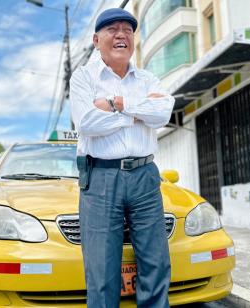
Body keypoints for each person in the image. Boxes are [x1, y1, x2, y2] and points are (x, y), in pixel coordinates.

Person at [70, 7, 175, 308]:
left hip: (145, 176)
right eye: (112, 29)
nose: (121, 35)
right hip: (100, 178)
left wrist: (117, 103)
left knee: (155, 262)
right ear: (96, 39)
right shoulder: (83, 78)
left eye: (127, 30)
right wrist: (137, 114)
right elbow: (86, 123)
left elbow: (163, 112)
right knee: (102, 271)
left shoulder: (146, 78)